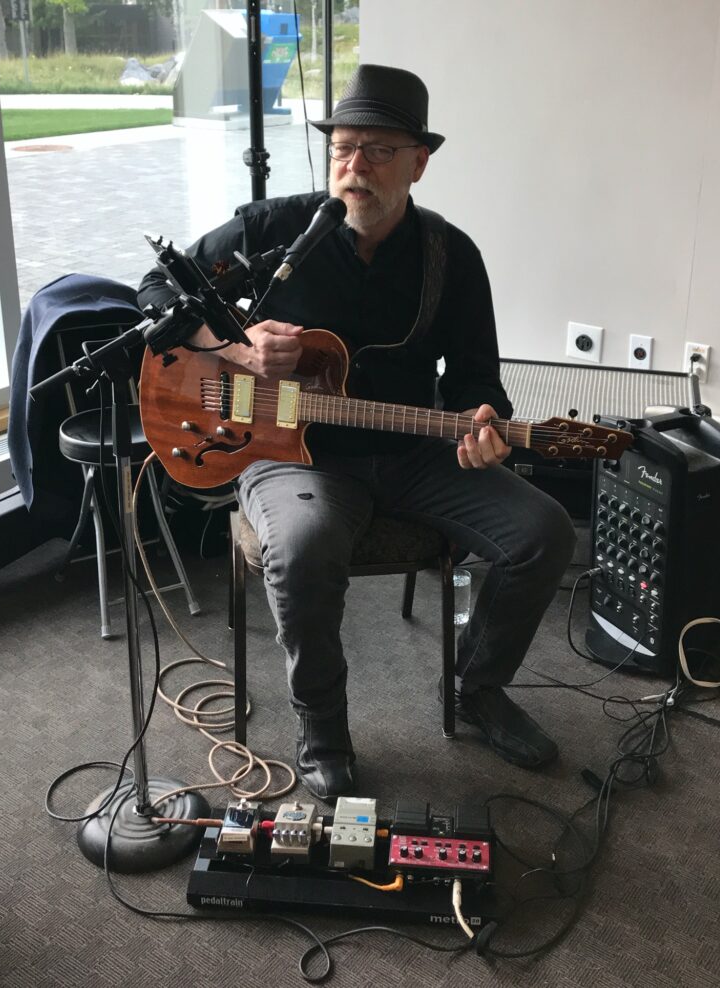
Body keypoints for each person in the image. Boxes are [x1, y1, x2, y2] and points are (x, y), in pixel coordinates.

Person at [138, 64, 577, 800]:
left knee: (546, 530)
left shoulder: (450, 256)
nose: (356, 166)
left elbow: (477, 381)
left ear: (419, 162)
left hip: (411, 449)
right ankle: (323, 728)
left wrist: (485, 425)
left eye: (378, 150)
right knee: (305, 547)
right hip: (287, 456)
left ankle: (478, 685)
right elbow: (158, 289)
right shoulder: (274, 231)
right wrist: (239, 348)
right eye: (344, 147)